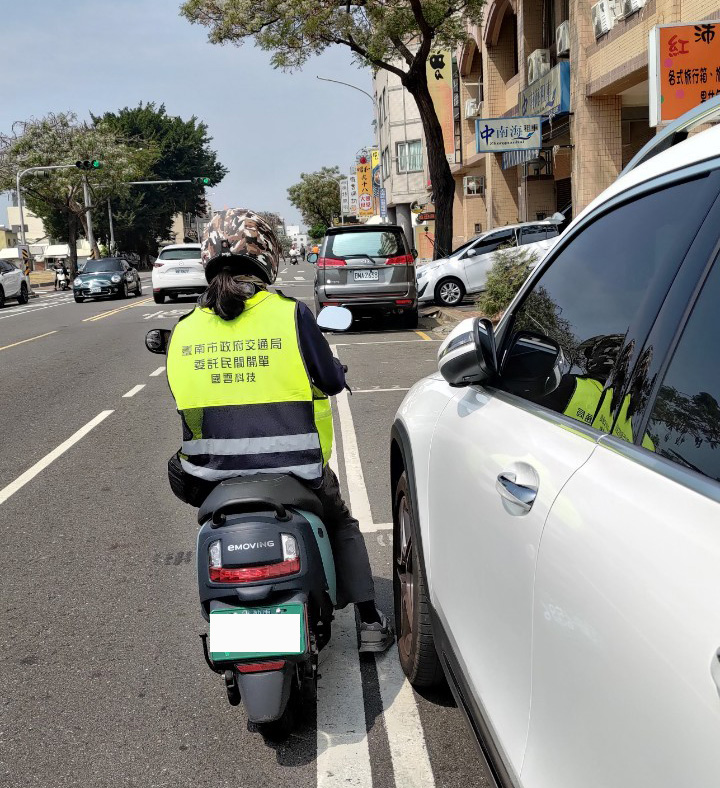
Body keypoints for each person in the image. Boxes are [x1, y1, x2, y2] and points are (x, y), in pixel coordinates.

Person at [165, 208, 394, 653]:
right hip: (295, 473)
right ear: (266, 254)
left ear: (208, 255)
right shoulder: (290, 315)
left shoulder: (185, 329)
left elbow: (181, 398)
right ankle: (368, 620)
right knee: (341, 520)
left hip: (209, 479)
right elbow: (329, 380)